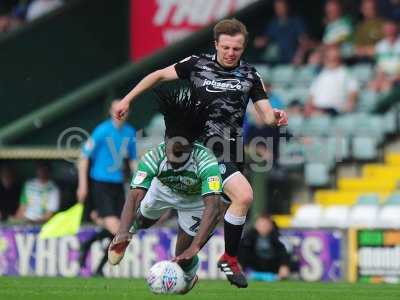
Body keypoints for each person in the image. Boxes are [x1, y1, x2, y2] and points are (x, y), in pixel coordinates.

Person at [113, 18, 288, 288]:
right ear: (216, 44)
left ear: (244, 48)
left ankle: (199, 261)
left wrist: (274, 116)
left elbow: (264, 114)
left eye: (237, 49)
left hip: (231, 150)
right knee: (243, 195)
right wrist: (127, 99)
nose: (231, 53)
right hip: (200, 149)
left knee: (230, 204)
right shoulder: (197, 64)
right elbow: (158, 75)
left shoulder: (251, 75)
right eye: (226, 47)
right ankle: (228, 258)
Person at [108, 85, 222, 294]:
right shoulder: (154, 156)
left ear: (190, 147)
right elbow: (134, 197)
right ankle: (126, 236)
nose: (173, 157)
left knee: (182, 258)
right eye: (170, 149)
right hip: (163, 190)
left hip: (194, 201)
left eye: (180, 153)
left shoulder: (206, 161)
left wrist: (195, 247)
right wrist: (123, 230)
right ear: (165, 140)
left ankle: (188, 277)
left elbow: (213, 207)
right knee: (141, 220)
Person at [77, 100, 137, 276]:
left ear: (128, 112)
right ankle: (91, 251)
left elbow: (133, 161)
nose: (120, 114)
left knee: (121, 230)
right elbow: (84, 157)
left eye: (123, 110)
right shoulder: (102, 131)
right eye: (116, 111)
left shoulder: (131, 132)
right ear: (111, 112)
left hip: (118, 185)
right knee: (119, 230)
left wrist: (140, 182)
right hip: (100, 183)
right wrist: (82, 185)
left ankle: (95, 261)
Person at [305, 45, 359, 116]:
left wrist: (346, 107)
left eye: (333, 59)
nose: (330, 61)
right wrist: (308, 108)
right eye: (328, 58)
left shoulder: (346, 74)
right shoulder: (321, 75)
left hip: (333, 110)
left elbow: (353, 93)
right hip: (317, 109)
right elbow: (311, 96)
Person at [253, 0, 310, 64]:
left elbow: (304, 41)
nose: (279, 9)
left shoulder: (296, 21)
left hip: (291, 61)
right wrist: (260, 41)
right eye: (277, 7)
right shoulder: (273, 23)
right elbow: (267, 38)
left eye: (281, 7)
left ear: (287, 7)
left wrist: (299, 55)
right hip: (275, 62)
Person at [238, 213, 290, 281]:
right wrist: (239, 267)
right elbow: (242, 253)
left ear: (271, 226)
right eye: (261, 225)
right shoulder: (248, 238)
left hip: (274, 271)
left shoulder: (278, 238)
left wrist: (284, 265)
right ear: (256, 225)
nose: (263, 227)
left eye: (265, 225)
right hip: (253, 270)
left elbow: (284, 253)